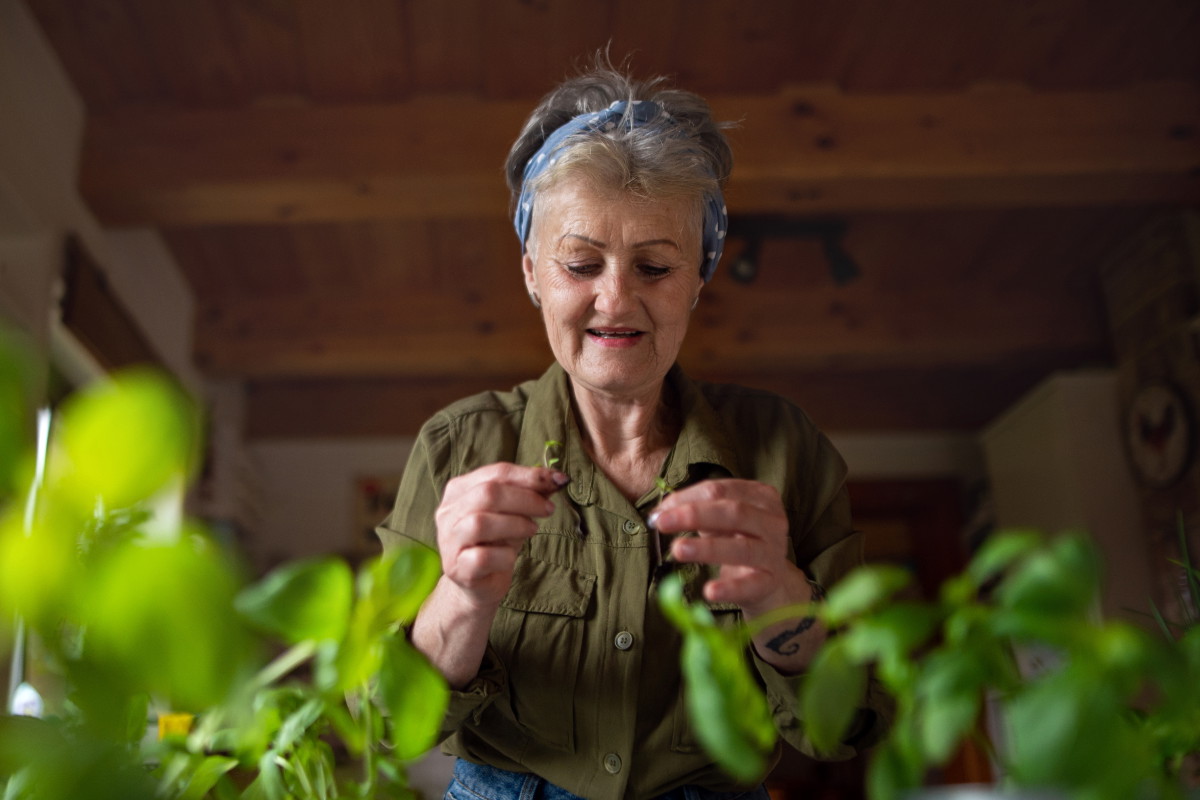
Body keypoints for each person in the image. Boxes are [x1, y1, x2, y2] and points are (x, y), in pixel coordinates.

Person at [376, 59, 889, 800]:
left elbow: (849, 726)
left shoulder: (784, 446)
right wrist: (461, 594)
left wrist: (779, 592)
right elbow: (388, 723)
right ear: (531, 272)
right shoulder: (457, 445)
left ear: (700, 277)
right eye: (581, 263)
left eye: (654, 267)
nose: (614, 299)